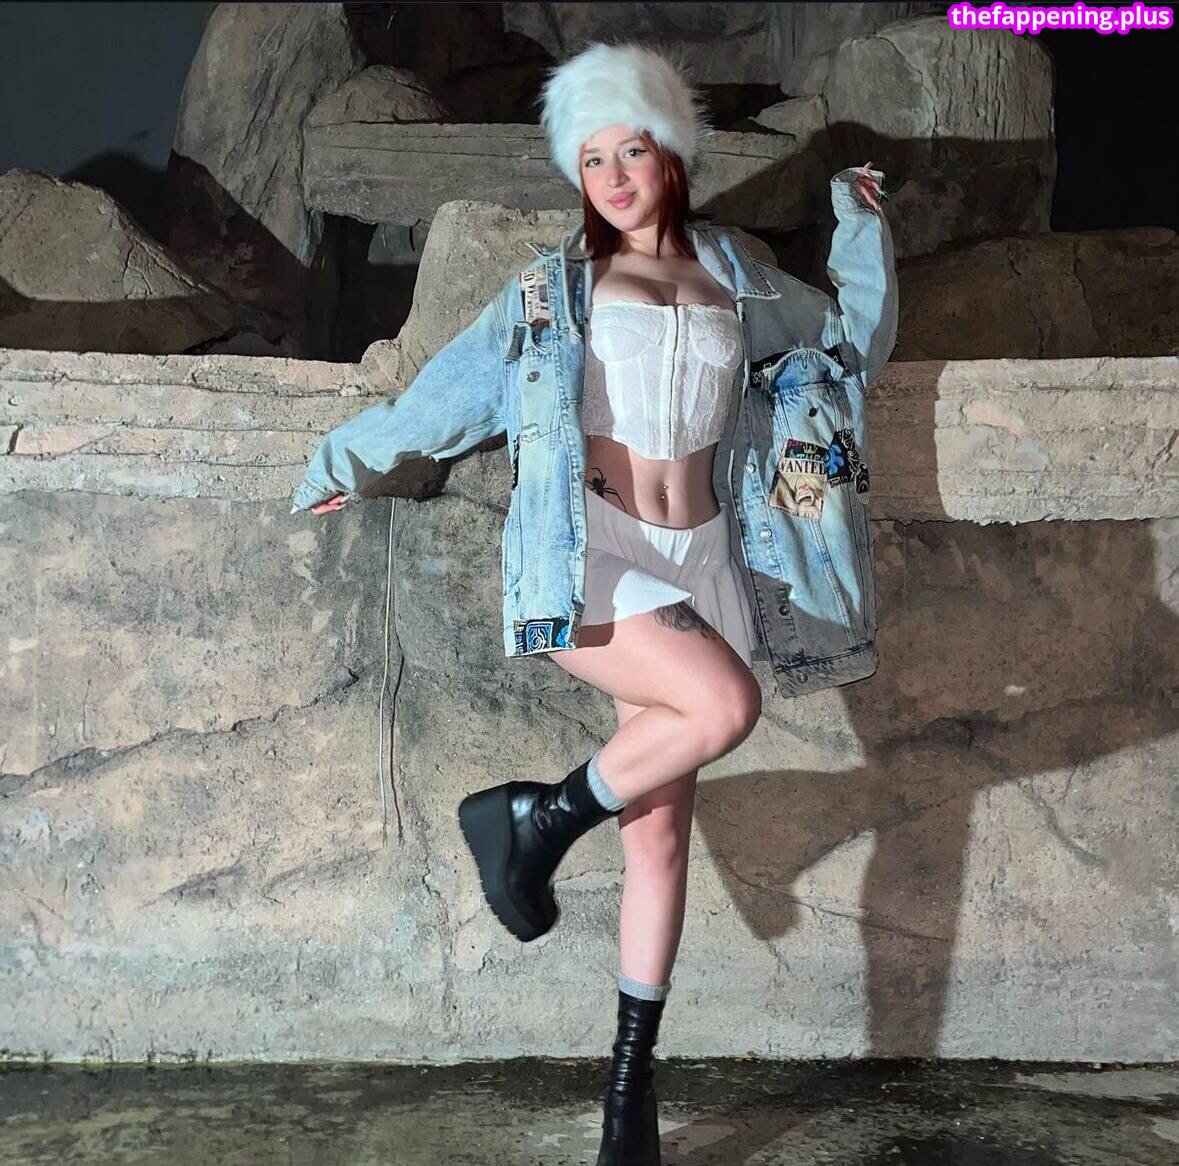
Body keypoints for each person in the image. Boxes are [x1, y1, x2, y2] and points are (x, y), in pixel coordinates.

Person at [297, 40, 890, 1166]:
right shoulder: (552, 287)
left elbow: (850, 348)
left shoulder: (742, 276)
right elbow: (450, 393)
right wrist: (349, 461)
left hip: (708, 555)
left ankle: (629, 1097)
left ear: (672, 153)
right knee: (722, 705)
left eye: (631, 151)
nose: (613, 177)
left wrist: (858, 225)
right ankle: (533, 822)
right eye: (592, 159)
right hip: (595, 551)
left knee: (658, 838)